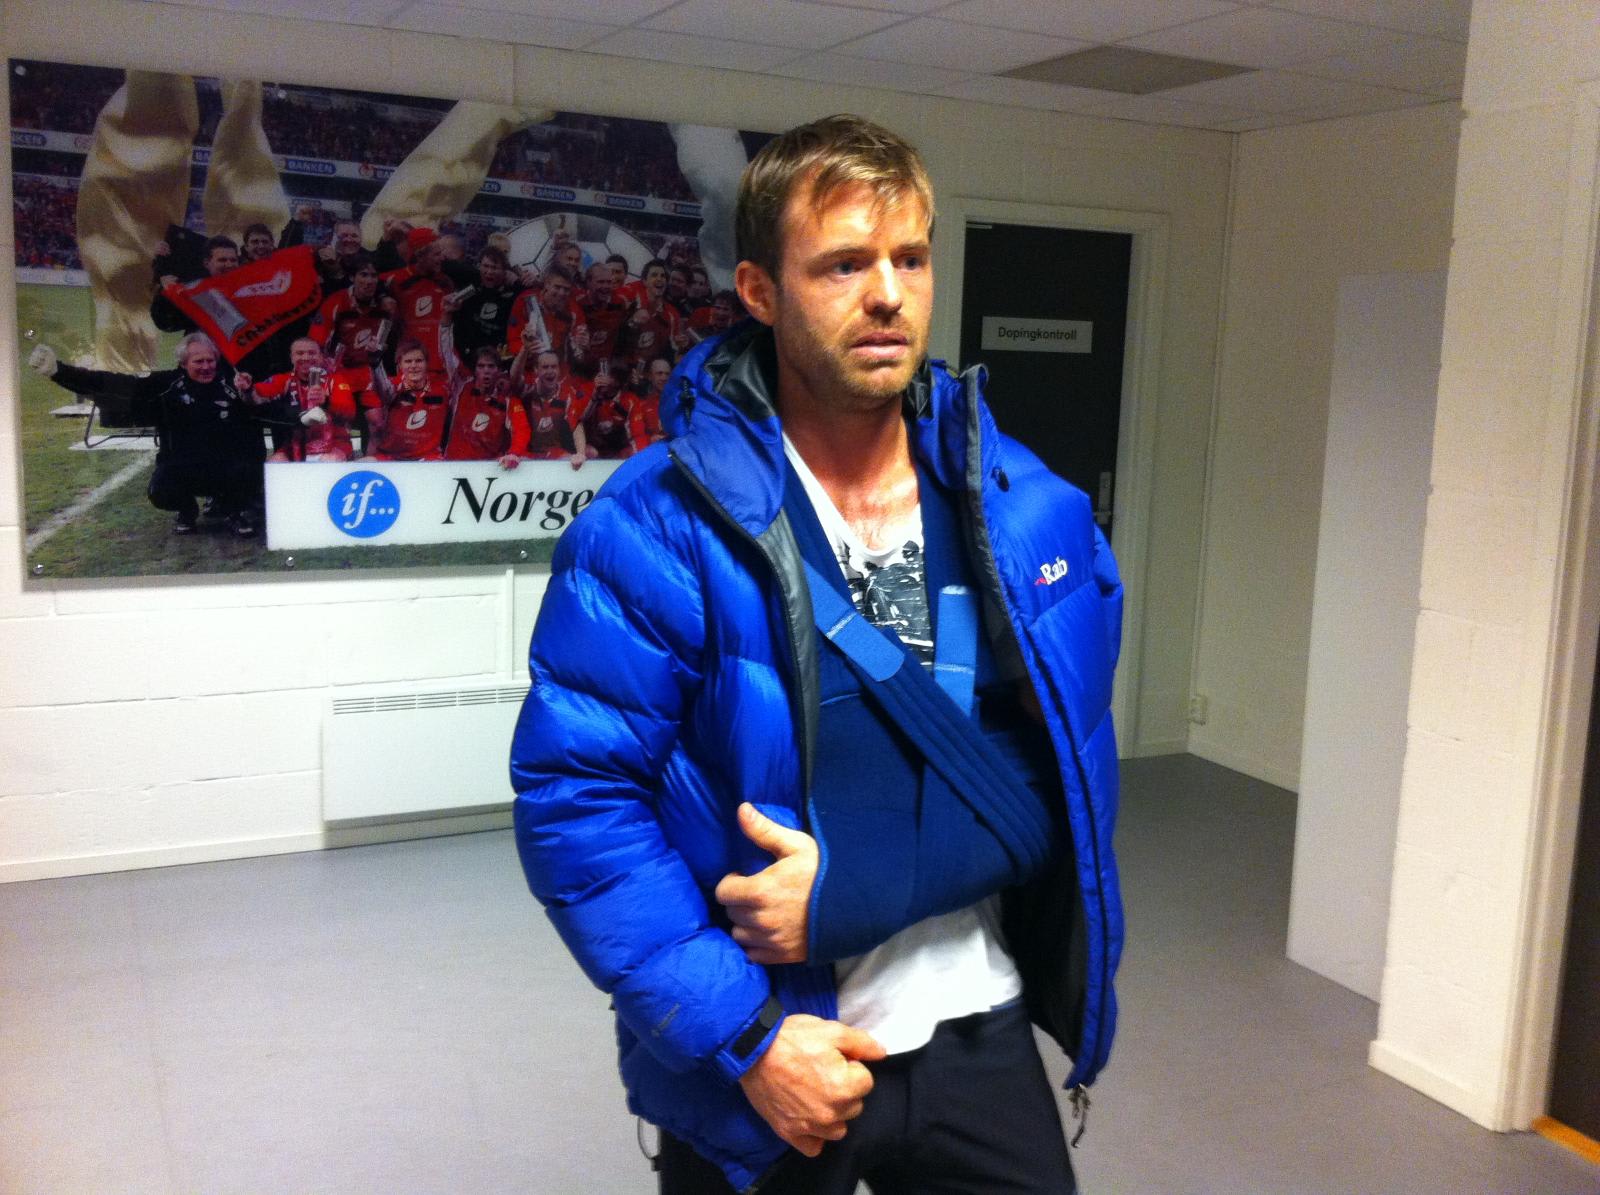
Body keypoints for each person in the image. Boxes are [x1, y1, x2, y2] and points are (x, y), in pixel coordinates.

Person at [510, 115, 1124, 1194]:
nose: (887, 294)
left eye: (910, 258)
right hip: (777, 1054)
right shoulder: (654, 525)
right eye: (843, 264)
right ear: (758, 289)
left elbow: (1060, 770)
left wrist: (855, 889)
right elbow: (578, 803)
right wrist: (743, 1040)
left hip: (977, 1024)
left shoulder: (1023, 508)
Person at [29, 332, 275, 536]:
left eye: (210, 361)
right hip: (182, 467)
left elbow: (264, 407)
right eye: (198, 362)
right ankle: (187, 510)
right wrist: (58, 371)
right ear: (183, 364)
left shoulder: (233, 384)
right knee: (160, 490)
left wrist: (249, 393)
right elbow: (112, 383)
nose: (206, 367)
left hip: (225, 467)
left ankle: (234, 511)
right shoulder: (165, 384)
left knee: (251, 470)